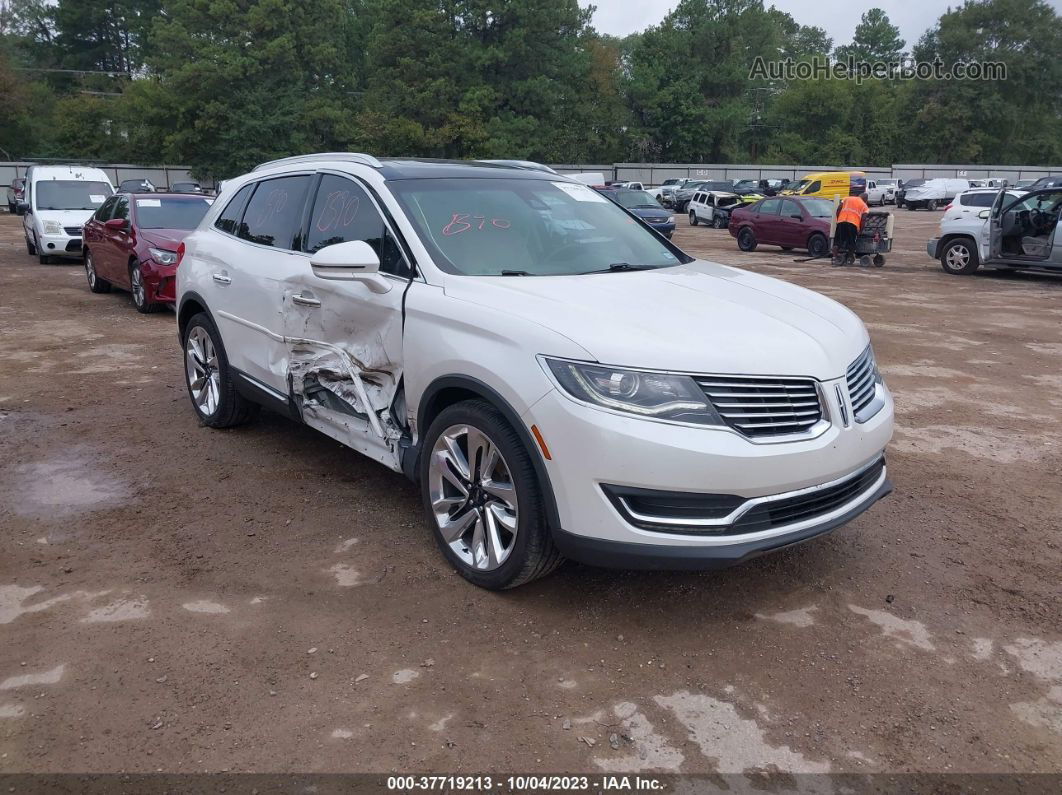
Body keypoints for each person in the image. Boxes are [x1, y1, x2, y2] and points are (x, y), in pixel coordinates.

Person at [833, 191, 869, 264]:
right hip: (853, 224)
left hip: (841, 221)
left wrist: (839, 219)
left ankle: (834, 258)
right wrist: (860, 230)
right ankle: (849, 258)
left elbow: (838, 209)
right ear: (866, 200)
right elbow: (863, 219)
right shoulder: (864, 206)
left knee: (837, 241)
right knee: (851, 242)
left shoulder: (847, 199)